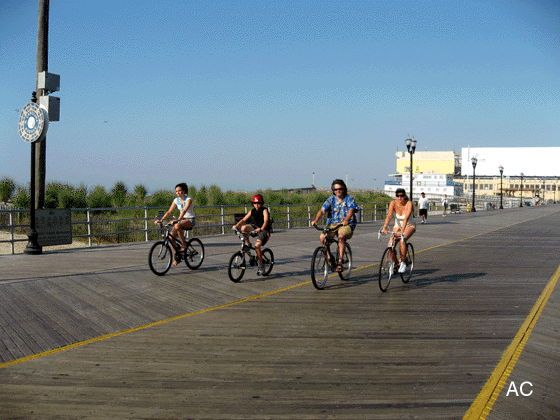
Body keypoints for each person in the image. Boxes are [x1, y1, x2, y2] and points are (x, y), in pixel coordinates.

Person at [311, 179, 358, 272]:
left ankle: (340, 261)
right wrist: (316, 220)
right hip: (332, 224)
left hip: (346, 224)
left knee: (341, 237)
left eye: (340, 189)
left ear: (344, 189)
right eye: (335, 189)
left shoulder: (349, 198)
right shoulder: (331, 199)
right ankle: (329, 257)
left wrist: (346, 220)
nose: (338, 191)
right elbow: (322, 211)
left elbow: (351, 211)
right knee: (322, 237)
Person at [155, 183, 195, 266]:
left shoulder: (188, 199)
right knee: (170, 237)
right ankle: (178, 256)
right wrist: (161, 220)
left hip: (189, 220)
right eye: (176, 191)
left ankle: (183, 245)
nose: (178, 193)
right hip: (181, 220)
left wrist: (177, 220)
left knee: (177, 225)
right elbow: (169, 212)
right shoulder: (176, 200)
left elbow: (184, 211)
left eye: (180, 191)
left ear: (184, 191)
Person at [232, 193, 272, 275]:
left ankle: (261, 267)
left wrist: (260, 229)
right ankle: (248, 245)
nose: (256, 205)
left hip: (264, 231)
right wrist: (236, 225)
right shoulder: (252, 211)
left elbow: (266, 222)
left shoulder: (264, 210)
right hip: (255, 228)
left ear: (262, 203)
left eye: (258, 203)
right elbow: (243, 220)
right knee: (243, 228)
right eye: (255, 203)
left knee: (257, 246)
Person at [382, 188, 416, 273]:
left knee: (402, 240)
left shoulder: (409, 203)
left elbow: (406, 219)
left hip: (409, 225)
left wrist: (402, 231)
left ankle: (403, 262)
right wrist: (385, 227)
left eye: (401, 196)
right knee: (390, 246)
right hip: (397, 226)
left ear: (405, 196)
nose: (399, 198)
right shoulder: (393, 203)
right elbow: (389, 216)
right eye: (397, 196)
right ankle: (395, 263)